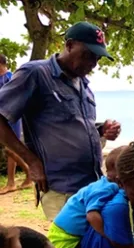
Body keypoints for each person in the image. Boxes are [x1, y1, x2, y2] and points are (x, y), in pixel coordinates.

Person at [0, 22, 121, 221]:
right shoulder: (36, 74)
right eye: (88, 54)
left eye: (97, 58)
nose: (93, 63)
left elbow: (70, 124)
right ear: (70, 45)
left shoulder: (83, 83)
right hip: (61, 189)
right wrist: (31, 162)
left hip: (91, 185)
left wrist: (101, 129)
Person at [48, 146, 125, 248]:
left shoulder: (114, 188)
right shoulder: (106, 188)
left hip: (76, 231)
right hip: (64, 233)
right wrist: (110, 236)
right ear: (118, 176)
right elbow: (92, 216)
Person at [0, 53, 32, 195]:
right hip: (2, 118)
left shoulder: (10, 78)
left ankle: (13, 181)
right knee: (8, 149)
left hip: (12, 117)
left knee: (11, 149)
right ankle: (28, 174)